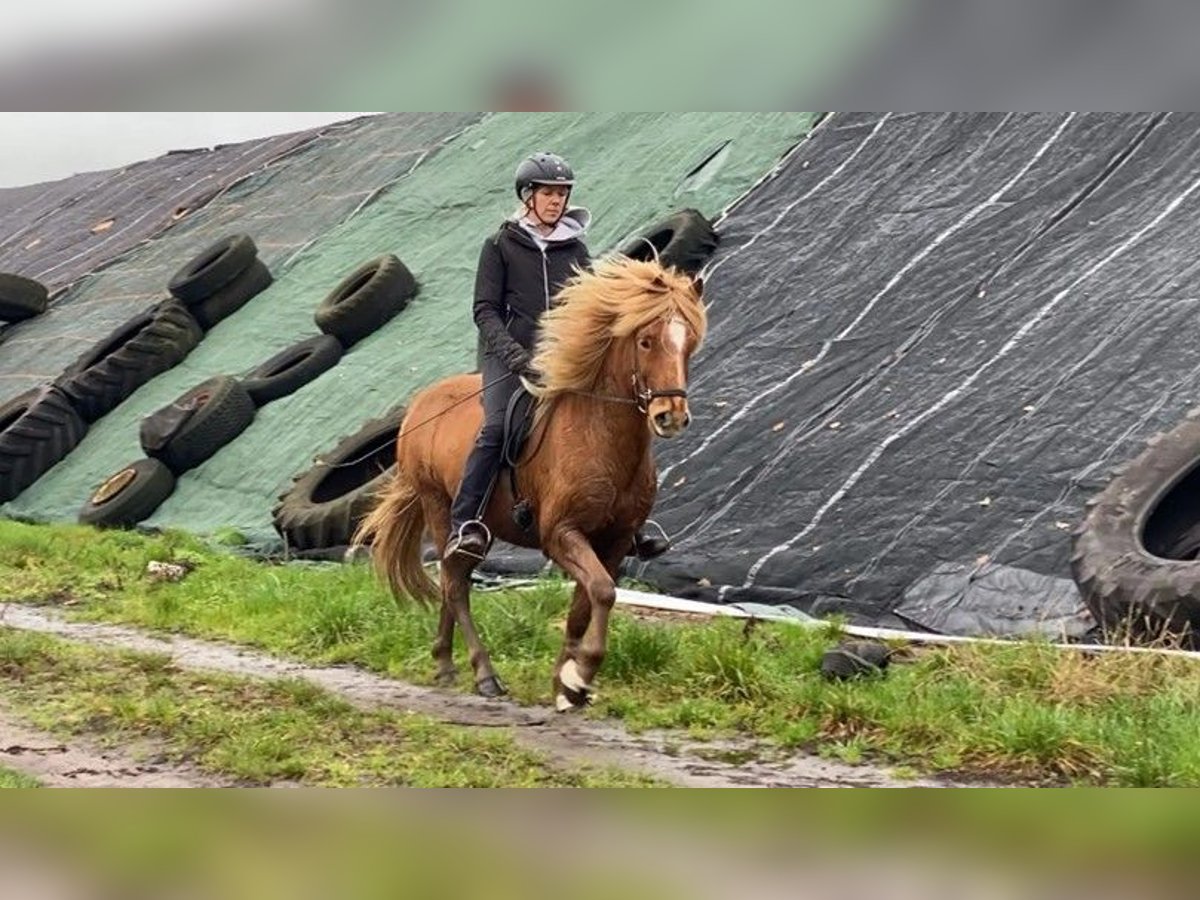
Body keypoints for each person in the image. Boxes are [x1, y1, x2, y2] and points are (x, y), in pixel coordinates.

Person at [444, 151, 672, 563]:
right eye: (548, 193)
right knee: (496, 428)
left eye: (562, 194)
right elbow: (485, 312)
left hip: (566, 358)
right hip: (508, 357)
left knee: (617, 418)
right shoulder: (499, 246)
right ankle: (467, 523)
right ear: (528, 196)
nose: (556, 201)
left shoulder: (575, 250)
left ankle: (631, 522)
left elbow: (596, 309)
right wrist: (516, 357)